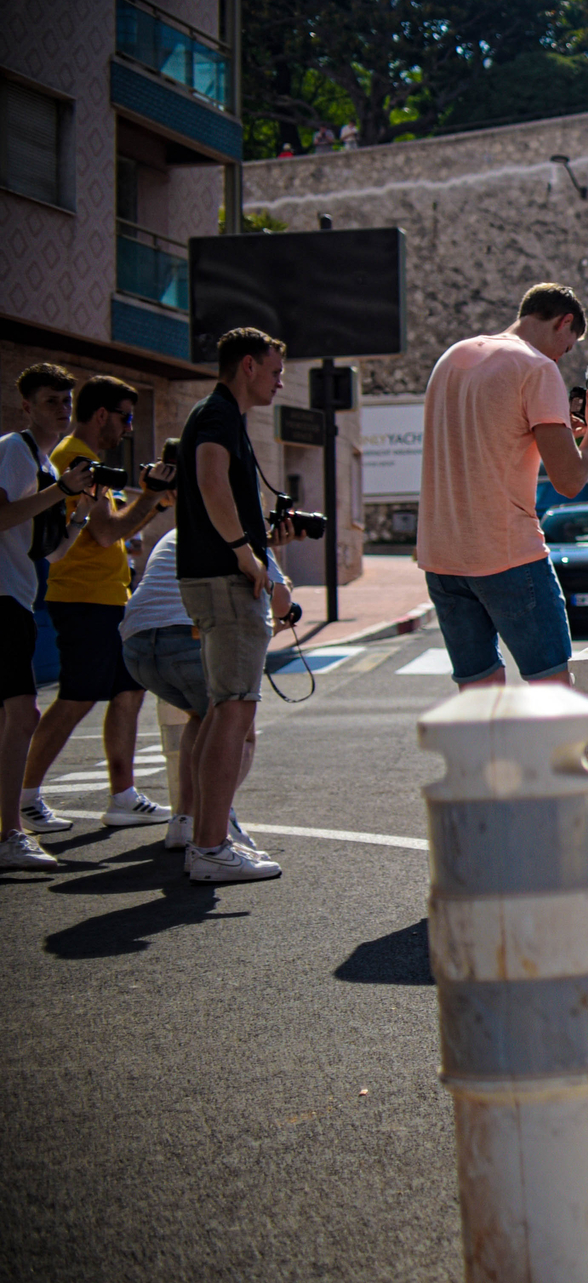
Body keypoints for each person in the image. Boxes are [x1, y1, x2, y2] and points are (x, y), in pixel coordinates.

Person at [417, 284, 588, 689]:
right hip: (506, 554)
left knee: (478, 695)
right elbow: (569, 481)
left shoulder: (452, 358)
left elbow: (487, 440)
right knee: (553, 692)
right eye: (570, 343)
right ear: (564, 322)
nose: (564, 354)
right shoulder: (537, 368)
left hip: (441, 556)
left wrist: (556, 432)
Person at [17, 374, 178, 837]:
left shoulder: (92, 463)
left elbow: (117, 530)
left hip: (109, 598)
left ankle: (124, 797)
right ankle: (24, 797)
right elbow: (107, 532)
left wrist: (150, 501)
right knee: (77, 696)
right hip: (82, 598)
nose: (129, 427)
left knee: (129, 693)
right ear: (102, 414)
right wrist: (149, 495)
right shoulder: (74, 459)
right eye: (126, 417)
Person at [175, 328, 291, 884]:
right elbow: (209, 480)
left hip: (212, 576)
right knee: (235, 709)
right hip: (224, 578)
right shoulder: (218, 414)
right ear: (247, 365)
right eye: (274, 371)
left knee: (225, 708)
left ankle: (207, 837)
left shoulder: (218, 414)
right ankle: (210, 846)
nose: (279, 381)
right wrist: (247, 555)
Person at [122, 527, 287, 855]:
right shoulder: (241, 534)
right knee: (239, 730)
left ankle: (184, 822)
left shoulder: (175, 532)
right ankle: (218, 828)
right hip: (188, 638)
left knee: (203, 716)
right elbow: (281, 604)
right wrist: (274, 556)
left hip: (136, 646)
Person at [1, 365, 95, 870]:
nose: (61, 410)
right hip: (1, 597)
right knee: (22, 714)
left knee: (14, 717)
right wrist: (61, 491)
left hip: (18, 595)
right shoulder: (13, 450)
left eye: (66, 401)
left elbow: (54, 554)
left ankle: (8, 828)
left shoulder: (42, 463)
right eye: (51, 401)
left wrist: (78, 507)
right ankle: (10, 833)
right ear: (27, 406)